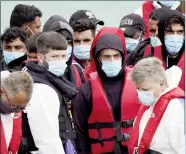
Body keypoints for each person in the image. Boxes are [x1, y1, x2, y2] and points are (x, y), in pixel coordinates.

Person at [73, 27, 140, 154]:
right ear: (98, 58)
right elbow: (80, 132)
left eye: (116, 56)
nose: (112, 60)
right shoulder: (86, 90)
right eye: (106, 56)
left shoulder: (138, 82)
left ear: (123, 56)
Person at [19, 31, 77, 154]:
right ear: (41, 58)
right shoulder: (41, 89)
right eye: (55, 56)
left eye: (63, 56)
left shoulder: (56, 81)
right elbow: (47, 142)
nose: (60, 61)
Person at [128, 57, 185, 154]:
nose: (140, 93)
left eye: (145, 89)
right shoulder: (152, 102)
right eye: (138, 89)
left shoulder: (175, 107)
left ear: (161, 84)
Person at [143, 9, 185, 90]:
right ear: (161, 33)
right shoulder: (149, 55)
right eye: (169, 32)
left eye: (180, 32)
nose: (175, 36)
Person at [43, 15, 85, 86]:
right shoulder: (34, 72)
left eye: (68, 43)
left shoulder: (76, 69)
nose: (64, 48)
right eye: (58, 43)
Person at [1, 71, 33, 154]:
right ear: (1, 92)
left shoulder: (16, 105)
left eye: (21, 108)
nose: (16, 110)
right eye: (13, 106)